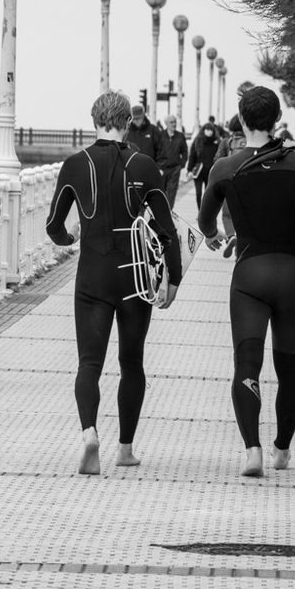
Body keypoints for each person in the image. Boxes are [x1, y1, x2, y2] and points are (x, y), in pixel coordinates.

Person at [197, 86, 295, 478]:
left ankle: (252, 452)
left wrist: (215, 236)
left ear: (242, 120)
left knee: (247, 364)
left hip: (250, 276)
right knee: (290, 368)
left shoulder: (225, 168)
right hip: (294, 277)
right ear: (276, 120)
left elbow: (207, 222)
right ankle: (282, 450)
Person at [45, 91, 182, 475]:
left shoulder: (75, 164)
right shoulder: (145, 165)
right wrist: (174, 279)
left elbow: (54, 225)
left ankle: (90, 433)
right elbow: (167, 230)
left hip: (92, 275)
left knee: (89, 362)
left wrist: (70, 239)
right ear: (127, 122)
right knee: (131, 363)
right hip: (134, 276)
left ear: (95, 120)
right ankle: (125, 449)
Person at [186, 119, 223, 207]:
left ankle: (204, 212)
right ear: (203, 130)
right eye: (207, 129)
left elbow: (220, 157)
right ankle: (200, 211)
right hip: (198, 171)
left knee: (208, 194)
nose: (209, 131)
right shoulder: (198, 141)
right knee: (198, 193)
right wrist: (189, 170)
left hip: (210, 171)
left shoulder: (217, 143)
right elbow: (192, 156)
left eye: (210, 130)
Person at [125, 103, 169, 171]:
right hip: (131, 170)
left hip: (149, 170)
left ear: (143, 117)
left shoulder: (153, 131)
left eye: (138, 118)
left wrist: (159, 168)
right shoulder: (126, 131)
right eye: (134, 119)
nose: (136, 121)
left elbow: (162, 152)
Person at [160, 114, 188, 207]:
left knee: (172, 193)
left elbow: (184, 151)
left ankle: (168, 211)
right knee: (161, 192)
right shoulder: (160, 136)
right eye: (171, 122)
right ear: (166, 124)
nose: (174, 124)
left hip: (175, 168)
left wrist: (182, 164)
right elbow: (156, 150)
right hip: (162, 169)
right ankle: (161, 211)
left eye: (175, 122)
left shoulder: (180, 136)